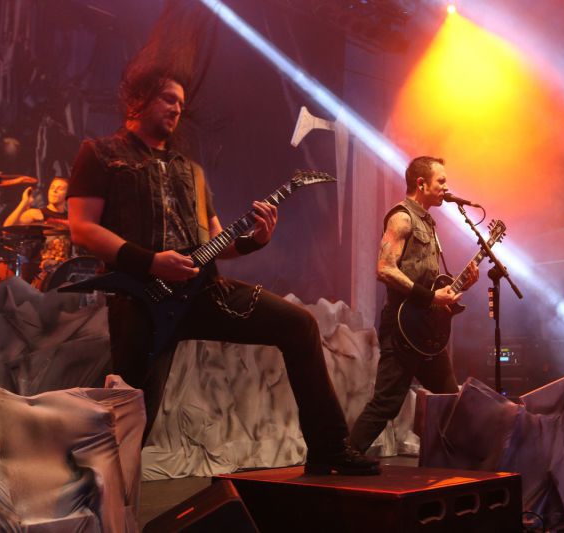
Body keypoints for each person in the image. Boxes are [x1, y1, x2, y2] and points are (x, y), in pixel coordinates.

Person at [67, 68, 379, 475]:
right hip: (141, 300)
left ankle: (330, 448)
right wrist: (150, 262)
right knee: (133, 412)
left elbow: (216, 241)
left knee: (299, 324)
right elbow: (82, 228)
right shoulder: (101, 154)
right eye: (168, 99)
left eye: (181, 103)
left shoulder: (190, 170)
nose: (177, 108)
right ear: (138, 100)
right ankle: (103, 494)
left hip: (202, 291)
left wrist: (255, 240)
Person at [348, 156, 479, 454]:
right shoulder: (402, 218)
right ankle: (346, 455)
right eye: (441, 181)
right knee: (386, 403)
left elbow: (430, 284)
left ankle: (461, 460)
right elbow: (384, 269)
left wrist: (462, 285)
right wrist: (431, 298)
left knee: (450, 397)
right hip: (401, 328)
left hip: (426, 330)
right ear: (421, 183)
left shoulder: (428, 223)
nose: (446, 187)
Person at [3, 176, 69, 227]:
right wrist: (24, 202)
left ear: (67, 194)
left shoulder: (70, 217)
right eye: (52, 188)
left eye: (60, 189)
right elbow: (7, 229)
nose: (54, 191)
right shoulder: (35, 214)